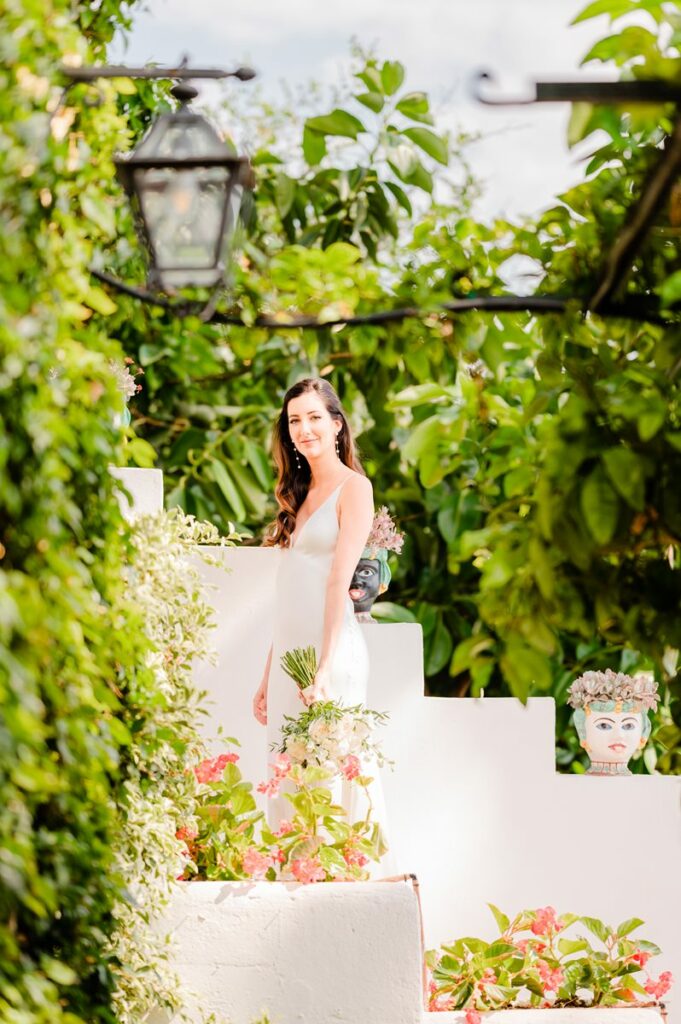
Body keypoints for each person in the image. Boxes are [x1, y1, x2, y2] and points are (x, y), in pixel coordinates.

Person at [253, 377, 391, 852]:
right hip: (291, 659)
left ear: (336, 424)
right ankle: (297, 875)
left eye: (314, 417)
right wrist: (269, 675)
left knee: (332, 771)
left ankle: (345, 875)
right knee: (288, 772)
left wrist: (326, 669)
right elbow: (289, 594)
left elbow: (338, 583)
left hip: (330, 654)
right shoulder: (298, 494)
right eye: (295, 420)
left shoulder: (355, 488)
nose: (304, 428)